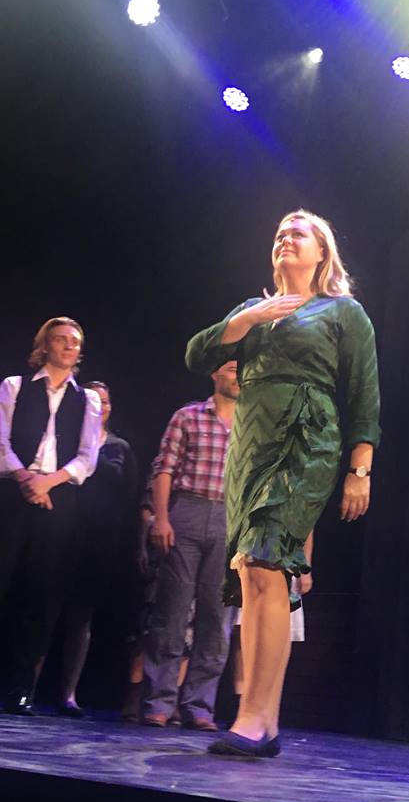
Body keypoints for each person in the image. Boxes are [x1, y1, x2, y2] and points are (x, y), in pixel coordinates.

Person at [185, 209, 380, 757]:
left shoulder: (343, 312)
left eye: (297, 234)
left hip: (306, 440)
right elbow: (197, 355)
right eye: (279, 235)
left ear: (322, 252)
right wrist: (249, 319)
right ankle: (263, 721)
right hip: (250, 445)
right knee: (252, 573)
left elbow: (365, 394)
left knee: (267, 562)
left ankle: (253, 717)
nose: (285, 240)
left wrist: (360, 468)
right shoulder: (254, 310)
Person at [0, 317, 102, 714]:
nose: (69, 346)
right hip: (14, 492)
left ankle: (20, 687)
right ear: (44, 345)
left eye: (75, 341)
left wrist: (47, 483)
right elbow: (2, 442)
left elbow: (87, 457)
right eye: (61, 339)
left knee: (40, 595)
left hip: (58, 498)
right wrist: (27, 479)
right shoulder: (15, 386)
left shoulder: (87, 399)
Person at [141, 361, 239, 731]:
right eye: (232, 368)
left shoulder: (253, 423)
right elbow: (164, 469)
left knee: (218, 617)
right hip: (188, 510)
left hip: (231, 519)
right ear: (215, 374)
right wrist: (162, 518)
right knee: (172, 610)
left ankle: (200, 706)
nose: (239, 376)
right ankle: (159, 701)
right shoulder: (188, 416)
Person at [47, 381, 138, 716]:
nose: (100, 406)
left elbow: (130, 499)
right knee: (44, 612)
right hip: (59, 533)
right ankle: (24, 685)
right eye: (93, 400)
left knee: (81, 617)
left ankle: (68, 693)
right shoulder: (63, 440)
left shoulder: (119, 448)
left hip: (98, 542)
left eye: (105, 401)